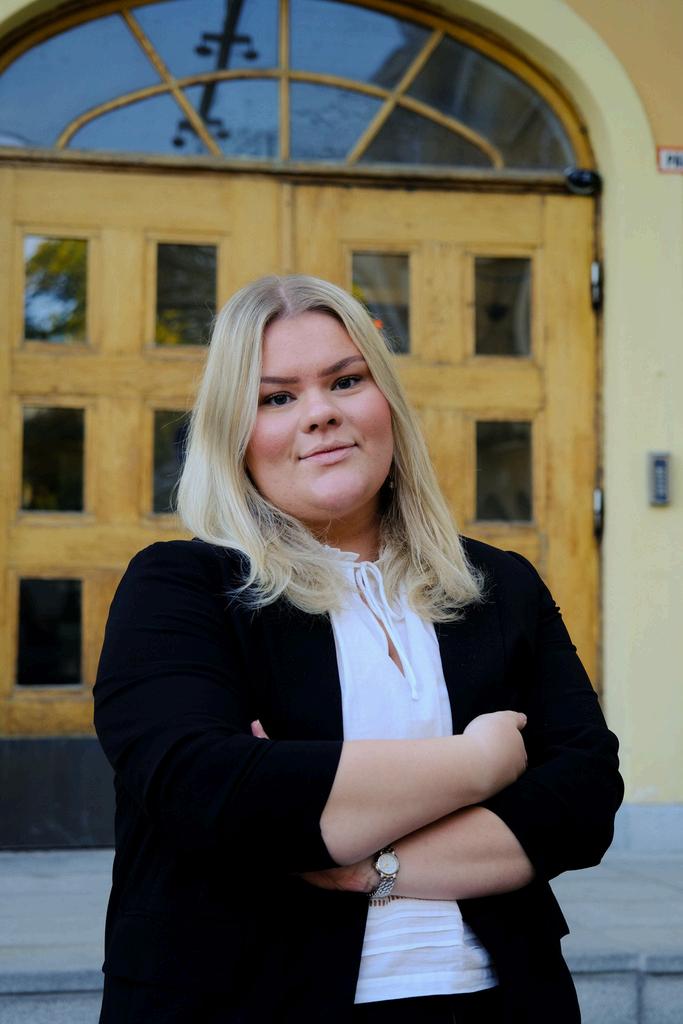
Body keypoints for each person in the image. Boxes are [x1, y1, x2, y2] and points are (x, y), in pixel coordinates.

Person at [94, 275, 623, 1024]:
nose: (321, 413)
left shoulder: (498, 585)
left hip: (498, 999)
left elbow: (583, 798)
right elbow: (203, 789)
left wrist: (370, 862)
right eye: (276, 397)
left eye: (346, 380)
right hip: (247, 1002)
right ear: (231, 433)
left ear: (387, 404)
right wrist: (479, 765)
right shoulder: (181, 586)